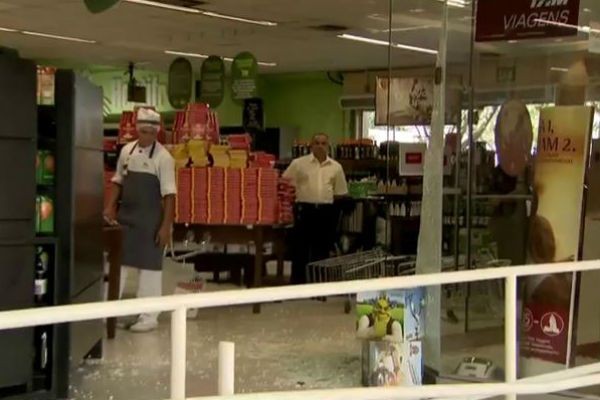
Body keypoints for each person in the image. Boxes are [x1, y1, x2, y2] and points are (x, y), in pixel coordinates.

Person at [104, 108, 176, 333]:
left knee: (150, 272)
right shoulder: (127, 151)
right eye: (143, 132)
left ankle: (148, 318)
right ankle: (106, 313)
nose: (147, 136)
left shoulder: (164, 158)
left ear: (157, 132)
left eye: (151, 133)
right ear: (137, 130)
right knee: (116, 266)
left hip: (150, 222)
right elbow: (118, 182)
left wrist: (166, 227)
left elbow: (170, 195)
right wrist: (109, 207)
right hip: (125, 219)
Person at [283, 133, 348, 284]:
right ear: (311, 146)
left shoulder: (336, 167)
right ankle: (298, 284)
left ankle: (319, 286)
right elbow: (285, 184)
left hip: (326, 212)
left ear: (328, 146)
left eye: (323, 143)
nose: (320, 146)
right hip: (304, 210)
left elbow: (340, 193)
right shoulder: (298, 164)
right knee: (300, 250)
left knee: (322, 250)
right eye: (316, 143)